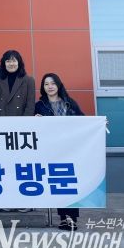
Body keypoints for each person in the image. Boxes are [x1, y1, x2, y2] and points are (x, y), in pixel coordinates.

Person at [35, 72, 85, 231]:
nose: (49, 87)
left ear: (58, 85)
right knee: (58, 182)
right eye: (46, 84)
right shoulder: (40, 105)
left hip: (70, 148)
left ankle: (72, 218)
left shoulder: (69, 103)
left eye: (53, 83)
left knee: (69, 182)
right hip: (51, 149)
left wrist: (99, 123)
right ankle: (63, 217)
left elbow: (83, 121)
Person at [0, 50, 35, 117]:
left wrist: (25, 120)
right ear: (4, 64)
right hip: (3, 120)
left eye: (14, 61)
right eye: (8, 61)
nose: (11, 64)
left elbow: (30, 105)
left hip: (22, 121)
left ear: (19, 63)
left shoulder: (29, 80)